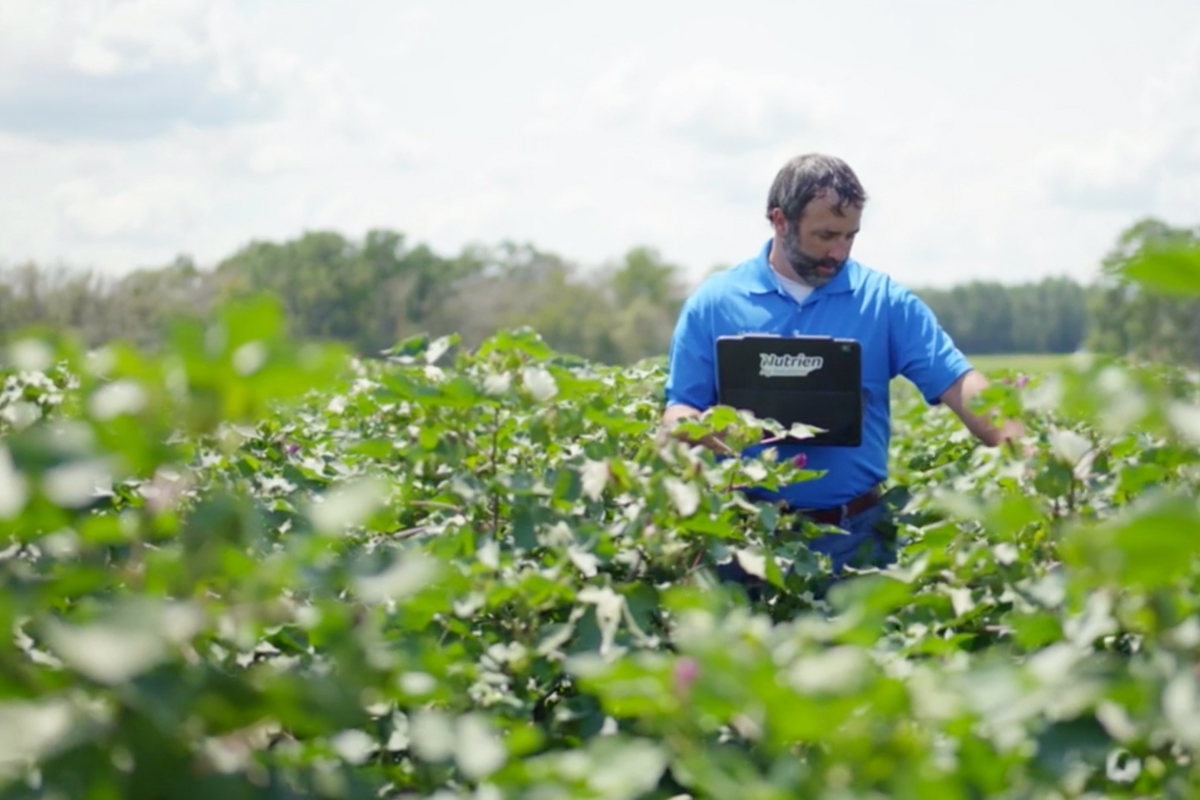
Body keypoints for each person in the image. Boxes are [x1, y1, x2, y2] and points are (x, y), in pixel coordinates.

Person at [660, 153, 1024, 579]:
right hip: (744, 541)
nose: (839, 252)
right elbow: (678, 409)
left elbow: (959, 381)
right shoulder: (715, 303)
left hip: (855, 539)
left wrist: (1024, 450)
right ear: (780, 221)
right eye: (826, 235)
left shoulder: (883, 302)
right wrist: (703, 429)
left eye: (850, 237)